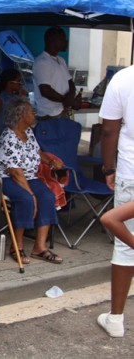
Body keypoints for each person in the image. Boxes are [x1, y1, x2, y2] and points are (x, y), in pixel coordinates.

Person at [0, 97, 64, 264]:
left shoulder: (28, 132)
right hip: (5, 177)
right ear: (21, 115)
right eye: (31, 112)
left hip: (28, 176)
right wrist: (32, 195)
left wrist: (50, 161)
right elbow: (15, 172)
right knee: (26, 199)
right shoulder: (9, 137)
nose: (34, 114)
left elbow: (37, 152)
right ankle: (17, 246)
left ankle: (39, 247)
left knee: (47, 196)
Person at [97, 64, 134, 338]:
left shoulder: (123, 79)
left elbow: (109, 130)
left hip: (129, 170)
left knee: (124, 246)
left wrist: (108, 168)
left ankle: (116, 319)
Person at [32, 26, 80, 120]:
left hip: (62, 111)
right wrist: (67, 101)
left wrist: (71, 99)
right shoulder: (42, 62)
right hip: (49, 114)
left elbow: (70, 83)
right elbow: (45, 91)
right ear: (52, 40)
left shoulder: (61, 60)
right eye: (63, 39)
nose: (66, 42)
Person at [0, 68, 27, 135]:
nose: (21, 84)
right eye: (18, 81)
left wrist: (23, 97)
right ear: (10, 83)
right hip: (3, 135)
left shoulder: (17, 97)